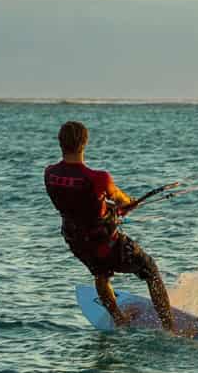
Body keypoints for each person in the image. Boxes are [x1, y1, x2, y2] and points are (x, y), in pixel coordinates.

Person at [43, 120, 176, 331]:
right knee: (151, 270)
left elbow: (79, 204)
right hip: (105, 243)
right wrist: (125, 205)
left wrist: (107, 208)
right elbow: (122, 200)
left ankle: (119, 318)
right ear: (85, 143)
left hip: (77, 242)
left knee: (100, 274)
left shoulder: (50, 174)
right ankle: (170, 328)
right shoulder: (99, 178)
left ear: (60, 143)